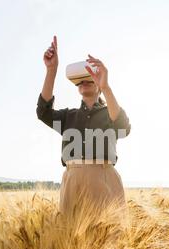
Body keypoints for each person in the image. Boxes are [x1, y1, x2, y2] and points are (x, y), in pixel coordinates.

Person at [36, 35, 131, 215]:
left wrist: (106, 87)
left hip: (104, 177)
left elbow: (123, 128)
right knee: (69, 235)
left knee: (109, 237)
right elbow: (43, 112)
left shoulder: (110, 112)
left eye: (90, 78)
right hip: (73, 177)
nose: (84, 82)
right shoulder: (68, 117)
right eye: (80, 80)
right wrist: (51, 70)